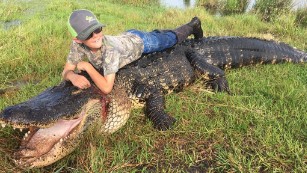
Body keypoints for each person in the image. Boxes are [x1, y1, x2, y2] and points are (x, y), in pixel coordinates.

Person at [62, 9, 203, 94]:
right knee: (159, 35)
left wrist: (87, 66)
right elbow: (66, 71)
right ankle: (159, 32)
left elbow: (106, 88)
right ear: (78, 39)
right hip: (126, 38)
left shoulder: (109, 50)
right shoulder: (77, 45)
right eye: (88, 34)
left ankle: (193, 25)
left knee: (169, 40)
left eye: (97, 29)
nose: (96, 35)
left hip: (141, 42)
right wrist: (72, 76)